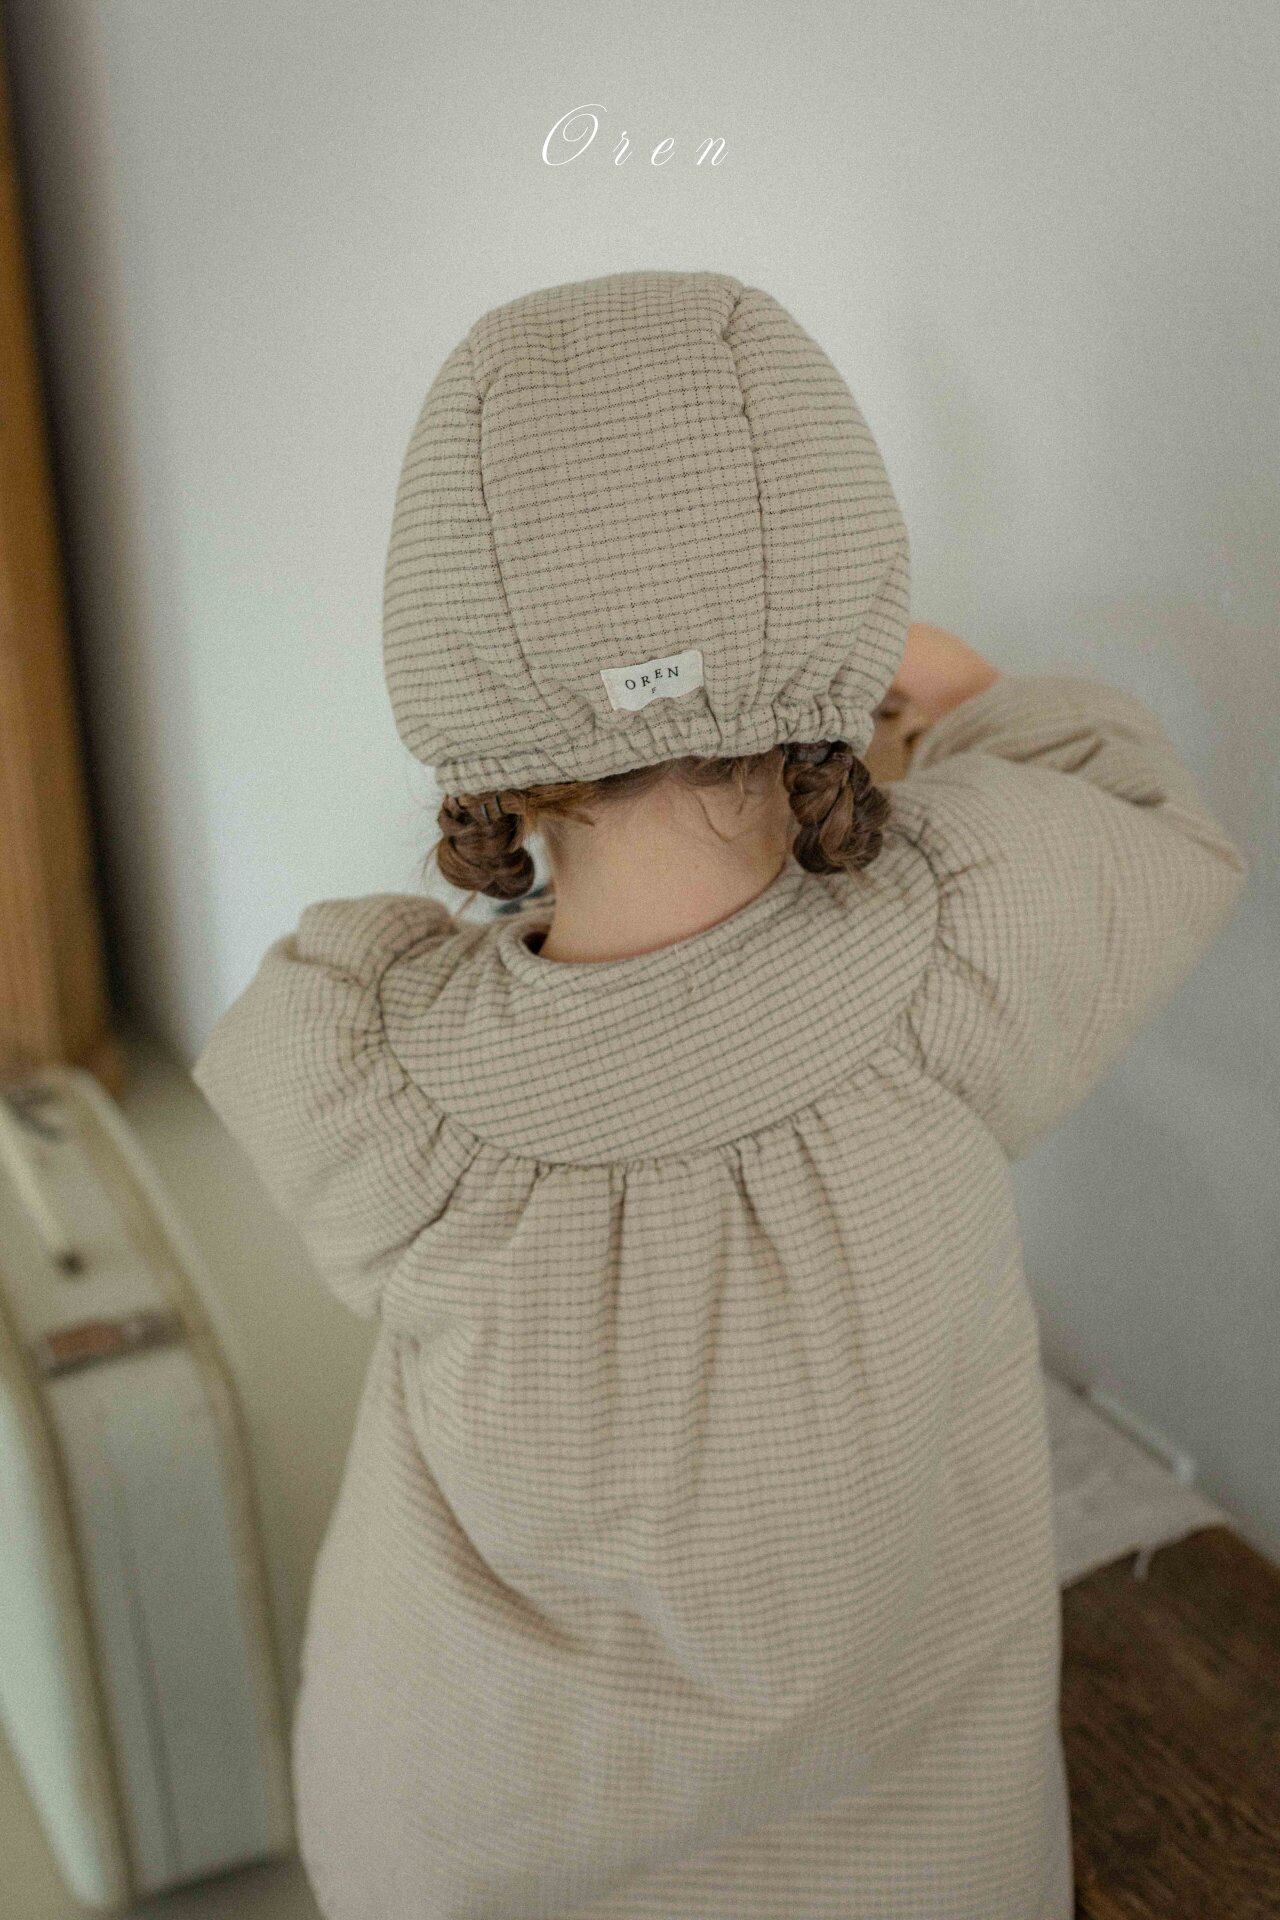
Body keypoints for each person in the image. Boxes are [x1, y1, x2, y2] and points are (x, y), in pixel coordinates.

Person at [193, 270, 1247, 1920]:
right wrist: (941, 685)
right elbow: (1139, 810)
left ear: (450, 659)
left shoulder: (372, 1078)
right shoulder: (967, 944)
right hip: (911, 1872)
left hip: (469, 1853)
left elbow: (268, 1062)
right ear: (843, 603)